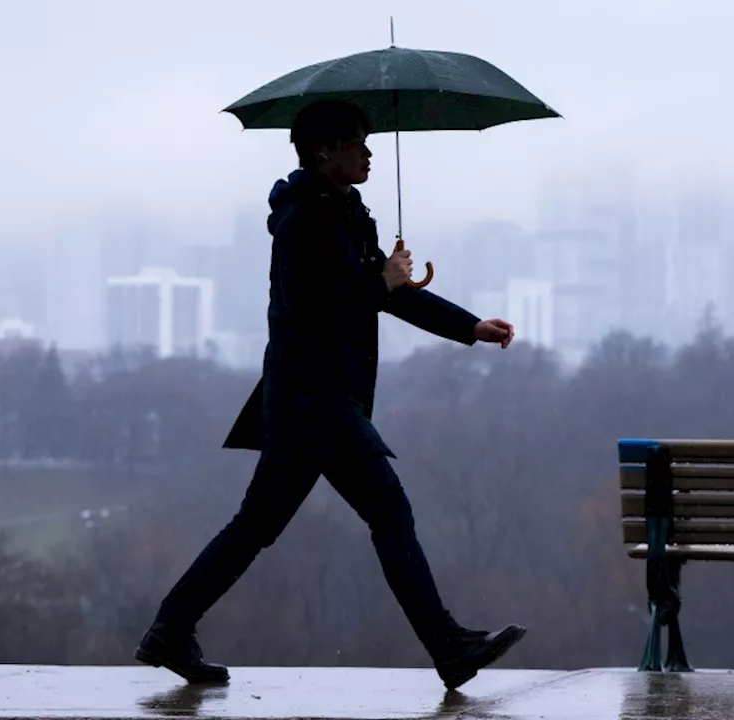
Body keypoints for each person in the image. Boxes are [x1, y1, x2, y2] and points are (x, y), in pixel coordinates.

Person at [133, 100, 524, 690]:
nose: (368, 152)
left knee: (255, 527)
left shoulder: (346, 211)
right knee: (387, 511)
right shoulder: (302, 219)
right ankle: (448, 646)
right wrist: (378, 281)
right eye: (357, 143)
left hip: (316, 402)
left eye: (368, 143)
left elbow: (383, 295)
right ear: (323, 152)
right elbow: (311, 305)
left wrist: (468, 326)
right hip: (312, 401)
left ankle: (170, 629)